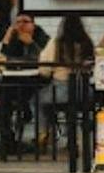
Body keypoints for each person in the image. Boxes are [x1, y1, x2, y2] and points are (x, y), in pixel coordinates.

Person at [37, 15, 95, 145]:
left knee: (39, 100)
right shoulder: (87, 43)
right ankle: (73, 138)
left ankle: (44, 132)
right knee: (72, 109)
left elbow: (44, 69)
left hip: (60, 90)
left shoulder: (56, 43)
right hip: (84, 91)